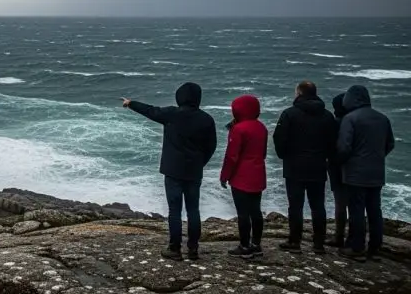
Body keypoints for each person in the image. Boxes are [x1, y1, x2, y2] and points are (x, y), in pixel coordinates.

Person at [122, 82, 217, 261]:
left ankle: (175, 249)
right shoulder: (206, 119)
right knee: (193, 210)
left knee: (175, 210)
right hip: (194, 171)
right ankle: (193, 249)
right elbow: (211, 146)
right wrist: (200, 163)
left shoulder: (172, 114)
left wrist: (131, 103)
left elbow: (151, 111)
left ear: (179, 97)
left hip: (173, 171)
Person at [272, 81, 335, 254]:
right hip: (318, 165)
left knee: (295, 206)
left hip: (294, 166)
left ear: (299, 93)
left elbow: (279, 138)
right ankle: (319, 244)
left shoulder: (289, 114)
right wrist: (326, 157)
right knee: (318, 205)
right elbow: (333, 142)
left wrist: (284, 155)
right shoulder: (327, 116)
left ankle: (295, 241)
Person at [337, 85, 395, 262]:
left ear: (351, 99)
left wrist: (341, 162)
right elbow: (390, 144)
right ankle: (375, 248)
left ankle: (356, 247)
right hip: (376, 172)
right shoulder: (382, 118)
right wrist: (376, 158)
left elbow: (344, 147)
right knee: (375, 210)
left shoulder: (350, 118)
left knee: (356, 210)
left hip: (355, 173)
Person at [220, 95, 268, 258]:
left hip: (241, 176)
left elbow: (232, 156)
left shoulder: (238, 129)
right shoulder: (261, 127)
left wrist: (224, 176)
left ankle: (245, 246)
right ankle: (256, 244)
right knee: (256, 211)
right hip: (258, 174)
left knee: (243, 213)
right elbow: (263, 153)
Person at [329, 93, 352, 248]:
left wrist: (332, 160)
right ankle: (354, 237)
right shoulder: (355, 121)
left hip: (337, 167)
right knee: (356, 204)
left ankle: (339, 236)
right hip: (357, 166)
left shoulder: (336, 123)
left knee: (340, 203)